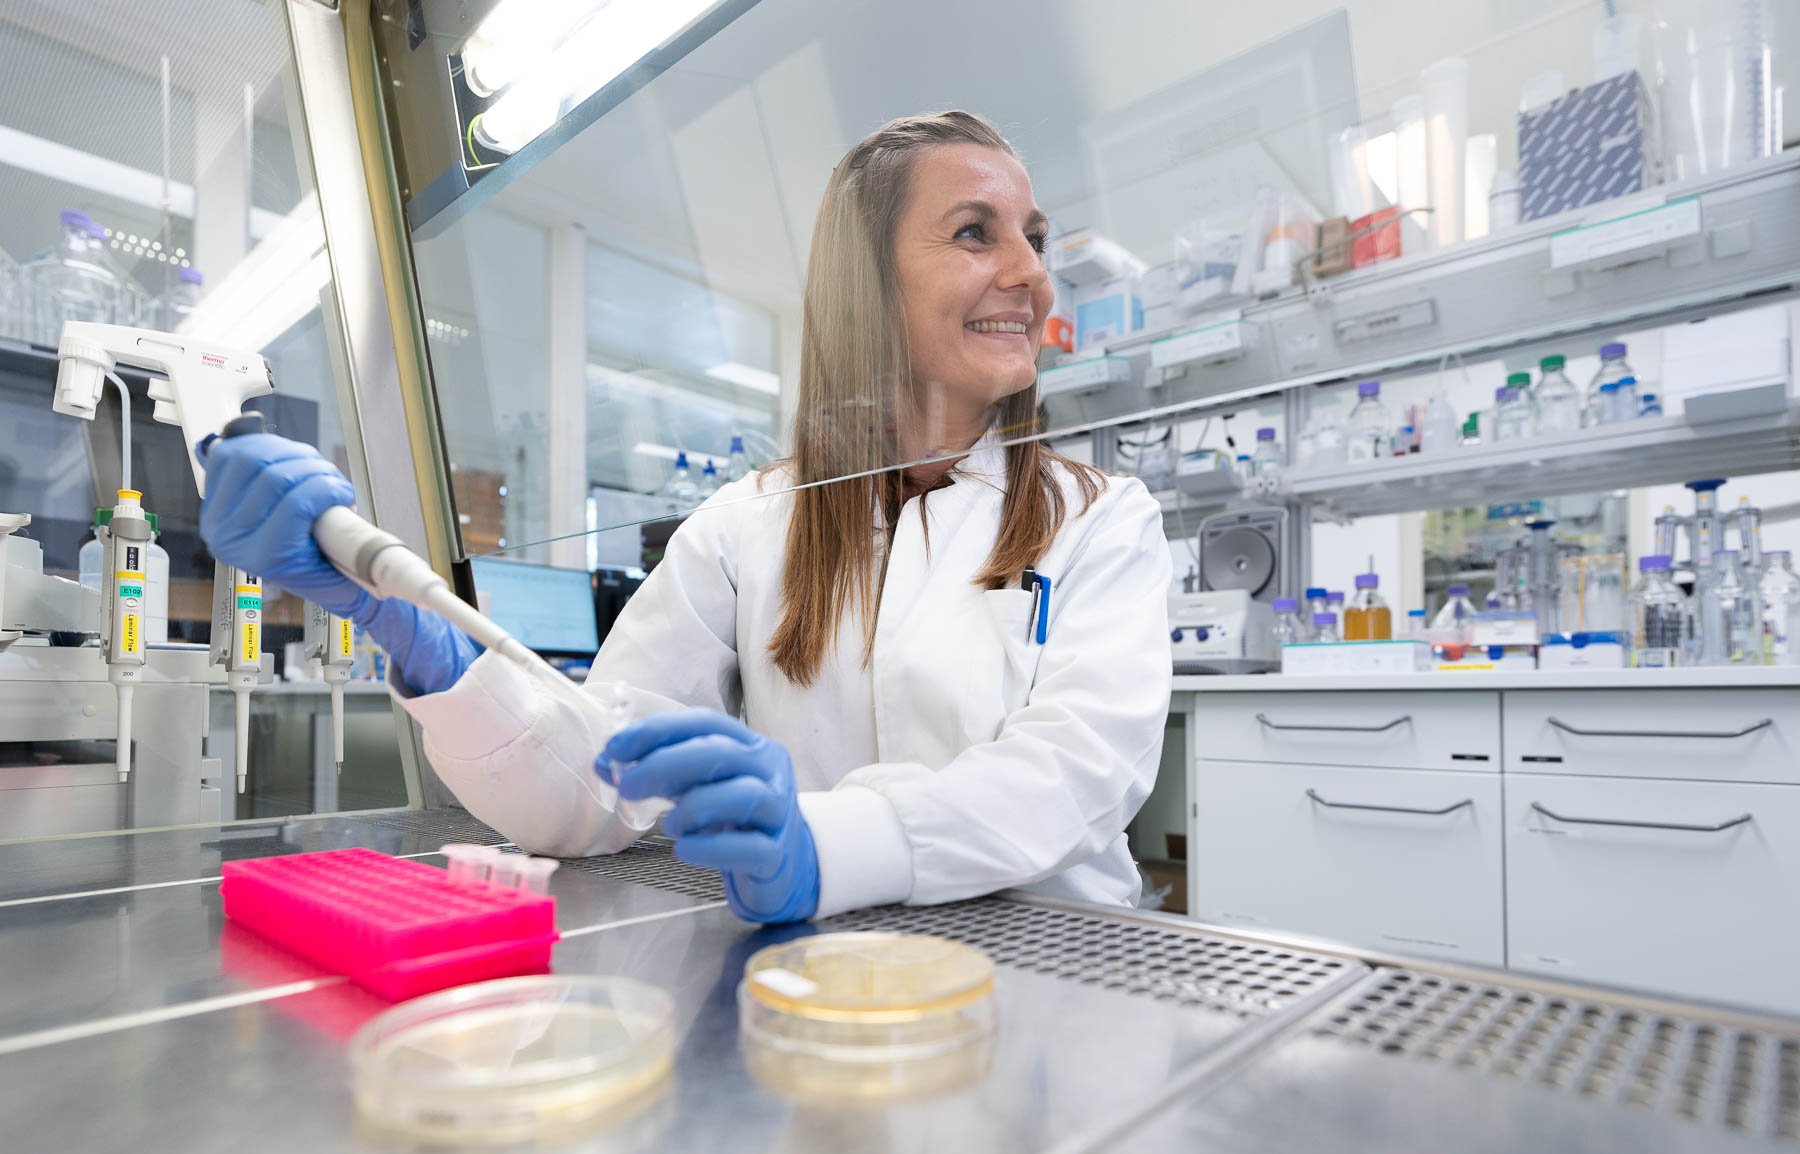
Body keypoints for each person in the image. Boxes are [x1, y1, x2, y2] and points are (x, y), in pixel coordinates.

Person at [198, 111, 1172, 925]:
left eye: (1032, 239)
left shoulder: (1101, 519)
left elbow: (1073, 774)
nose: (1033, 275)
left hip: (1056, 971)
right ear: (866, 284)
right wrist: (423, 642)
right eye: (976, 233)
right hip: (826, 987)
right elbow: (600, 786)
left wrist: (825, 842)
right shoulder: (754, 523)